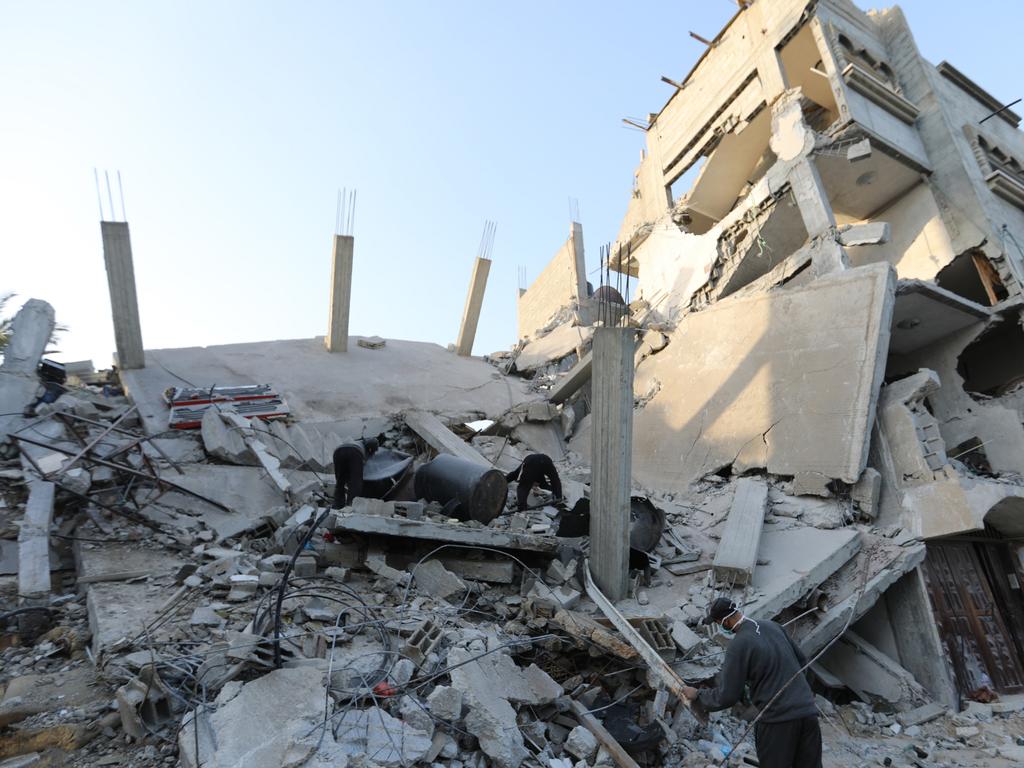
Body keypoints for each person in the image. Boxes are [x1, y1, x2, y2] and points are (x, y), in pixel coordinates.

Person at [682, 598, 822, 768]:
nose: (720, 626)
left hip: (778, 720)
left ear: (726, 621)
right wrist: (800, 695)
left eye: (718, 622)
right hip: (808, 713)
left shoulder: (739, 644)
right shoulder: (773, 627)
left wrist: (698, 695)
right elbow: (802, 662)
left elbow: (728, 695)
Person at [331, 437, 379, 509]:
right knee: (355, 482)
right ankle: (351, 506)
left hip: (338, 451)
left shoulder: (357, 441)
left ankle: (337, 505)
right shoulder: (368, 446)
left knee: (340, 482)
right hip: (354, 451)